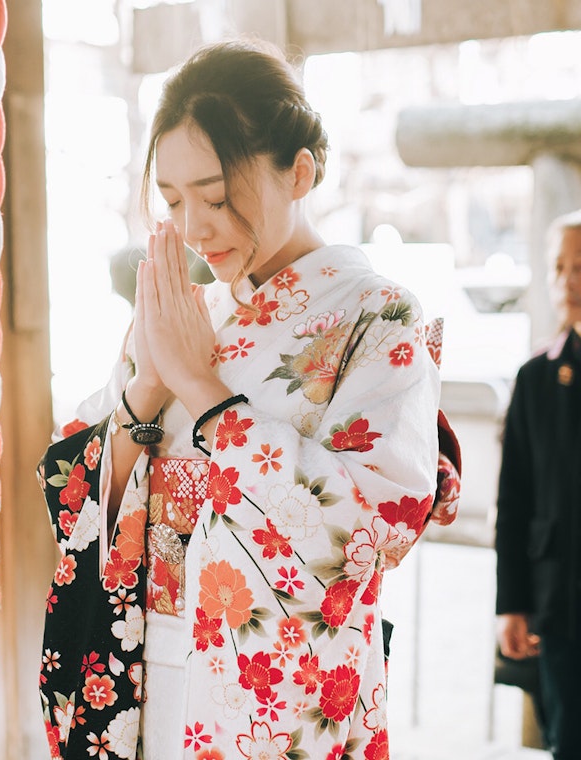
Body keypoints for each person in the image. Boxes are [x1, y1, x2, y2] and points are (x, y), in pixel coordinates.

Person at [37, 40, 448, 759]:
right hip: (140, 670)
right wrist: (148, 390)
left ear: (301, 171)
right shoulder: (183, 312)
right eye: (172, 201)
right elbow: (75, 497)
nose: (194, 228)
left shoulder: (378, 318)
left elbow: (373, 524)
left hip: (275, 697)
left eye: (218, 197)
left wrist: (206, 392)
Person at [495, 209, 581, 760]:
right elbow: (516, 501)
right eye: (558, 266)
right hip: (560, 603)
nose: (568, 280)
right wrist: (512, 604)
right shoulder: (536, 378)